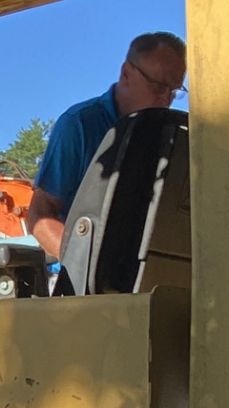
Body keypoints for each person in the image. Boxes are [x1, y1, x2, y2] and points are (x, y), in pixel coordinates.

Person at [25, 32, 187, 262]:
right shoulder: (79, 125)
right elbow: (40, 215)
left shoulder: (172, 136)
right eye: (159, 86)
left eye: (174, 92)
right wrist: (84, 265)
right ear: (126, 73)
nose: (166, 100)